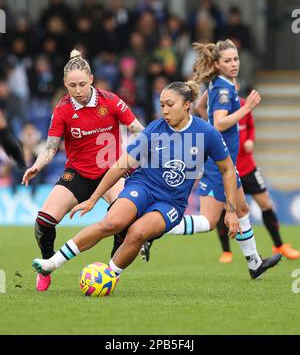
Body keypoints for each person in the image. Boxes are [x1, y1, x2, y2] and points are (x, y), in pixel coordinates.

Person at [31, 80, 241, 285]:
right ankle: (52, 263)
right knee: (112, 223)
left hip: (172, 202)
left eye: (170, 105)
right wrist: (93, 199)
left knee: (138, 233)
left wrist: (231, 210)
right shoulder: (154, 130)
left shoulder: (207, 133)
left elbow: (227, 170)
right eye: (161, 105)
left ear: (187, 105)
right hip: (142, 186)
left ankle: (109, 275)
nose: (164, 111)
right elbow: (121, 166)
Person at [141, 40, 282, 279]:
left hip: (225, 160)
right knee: (208, 221)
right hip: (219, 163)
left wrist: (208, 128)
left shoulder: (220, 83)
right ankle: (150, 231)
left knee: (243, 208)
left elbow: (201, 105)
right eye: (228, 60)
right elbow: (220, 122)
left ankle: (254, 264)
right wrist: (246, 109)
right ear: (217, 64)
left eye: (236, 59)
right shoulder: (225, 90)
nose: (234, 63)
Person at [22, 49, 144, 292]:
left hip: (111, 172)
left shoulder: (111, 101)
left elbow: (139, 130)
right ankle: (48, 266)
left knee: (122, 221)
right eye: (71, 86)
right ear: (65, 84)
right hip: (78, 173)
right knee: (43, 222)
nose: (77, 90)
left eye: (81, 84)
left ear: (91, 79)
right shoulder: (63, 109)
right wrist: (37, 164)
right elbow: (50, 147)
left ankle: (111, 271)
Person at [216, 95, 300, 262]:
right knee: (224, 208)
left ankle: (279, 245)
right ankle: (226, 251)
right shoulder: (218, 111)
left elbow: (251, 127)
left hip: (248, 168)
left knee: (266, 203)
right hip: (229, 170)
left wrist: (250, 140)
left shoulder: (243, 105)